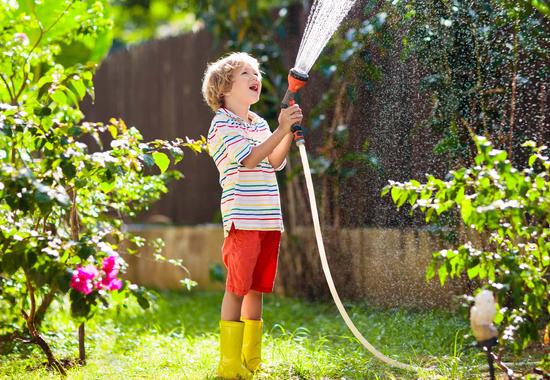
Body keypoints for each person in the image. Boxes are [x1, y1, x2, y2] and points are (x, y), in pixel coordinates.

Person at [202, 52, 302, 378]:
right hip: (242, 219)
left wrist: (285, 132)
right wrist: (281, 128)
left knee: (256, 288)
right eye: (246, 72)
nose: (254, 76)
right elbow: (248, 159)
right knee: (237, 287)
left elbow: (273, 161)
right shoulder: (222, 123)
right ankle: (229, 365)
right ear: (224, 88)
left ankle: (251, 360)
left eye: (256, 72)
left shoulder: (258, 123)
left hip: (268, 218)